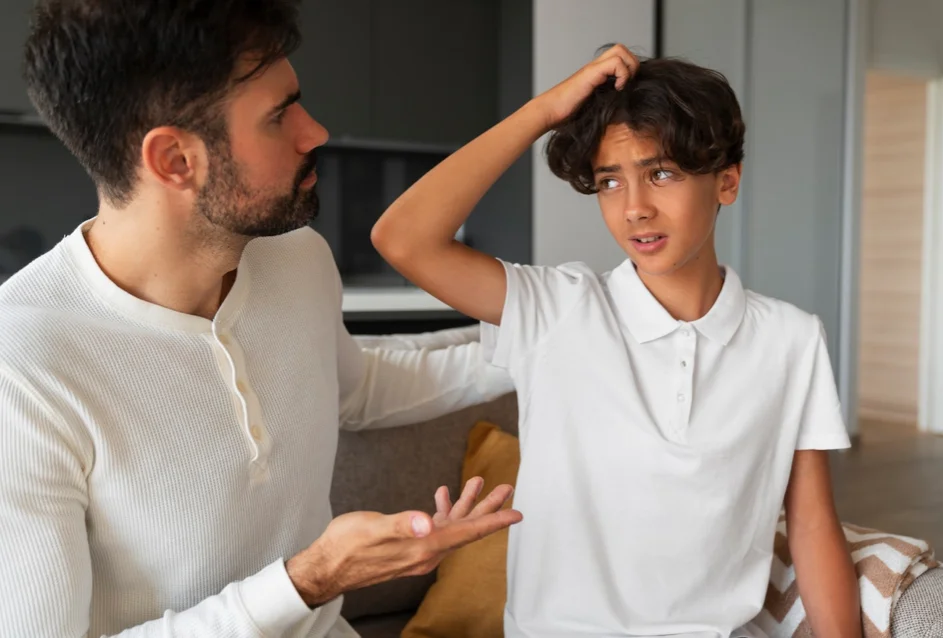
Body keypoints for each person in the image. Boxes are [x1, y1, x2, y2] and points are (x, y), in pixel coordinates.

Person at [0, 1, 522, 636]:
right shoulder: (22, 366)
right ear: (174, 161)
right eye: (280, 117)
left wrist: (541, 339)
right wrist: (310, 580)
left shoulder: (296, 257)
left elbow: (353, 390)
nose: (316, 132)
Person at [372, 46, 862, 637]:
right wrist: (546, 111)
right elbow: (403, 239)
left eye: (661, 174)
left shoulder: (792, 338)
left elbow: (811, 525)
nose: (635, 208)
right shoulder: (557, 309)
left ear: (726, 182)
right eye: (610, 181)